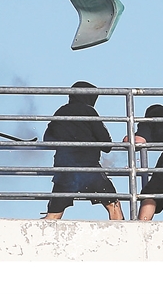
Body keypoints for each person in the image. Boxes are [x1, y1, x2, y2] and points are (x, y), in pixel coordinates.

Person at [42, 81, 124, 221]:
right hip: (89, 168)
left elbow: (47, 139)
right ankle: (123, 237)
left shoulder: (60, 112)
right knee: (112, 203)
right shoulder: (89, 112)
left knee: (54, 214)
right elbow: (106, 144)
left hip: (64, 169)